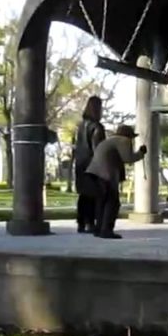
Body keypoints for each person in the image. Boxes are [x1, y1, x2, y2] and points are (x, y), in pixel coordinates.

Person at [85, 124, 147, 239]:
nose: (132, 140)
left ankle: (98, 229)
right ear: (128, 135)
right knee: (112, 203)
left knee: (101, 202)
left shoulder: (108, 141)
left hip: (94, 173)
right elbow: (127, 158)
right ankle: (106, 230)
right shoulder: (124, 140)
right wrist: (141, 153)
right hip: (107, 174)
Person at [73, 96, 106, 233]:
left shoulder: (80, 126)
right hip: (92, 163)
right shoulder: (96, 127)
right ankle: (91, 222)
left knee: (83, 195)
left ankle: (81, 222)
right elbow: (97, 147)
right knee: (95, 194)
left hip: (80, 163)